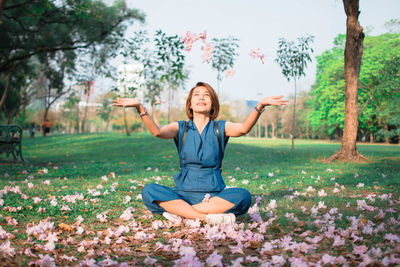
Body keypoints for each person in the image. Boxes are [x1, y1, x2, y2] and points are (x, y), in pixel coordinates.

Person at [112, 82, 288, 225]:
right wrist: (139, 107)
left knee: (243, 196)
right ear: (190, 104)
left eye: (206, 95)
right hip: (181, 193)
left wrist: (260, 106)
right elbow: (157, 132)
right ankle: (206, 218)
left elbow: (243, 129)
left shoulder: (221, 128)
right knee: (150, 190)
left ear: (213, 104)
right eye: (197, 95)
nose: (201, 97)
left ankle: (182, 213)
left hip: (214, 195)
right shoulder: (179, 127)